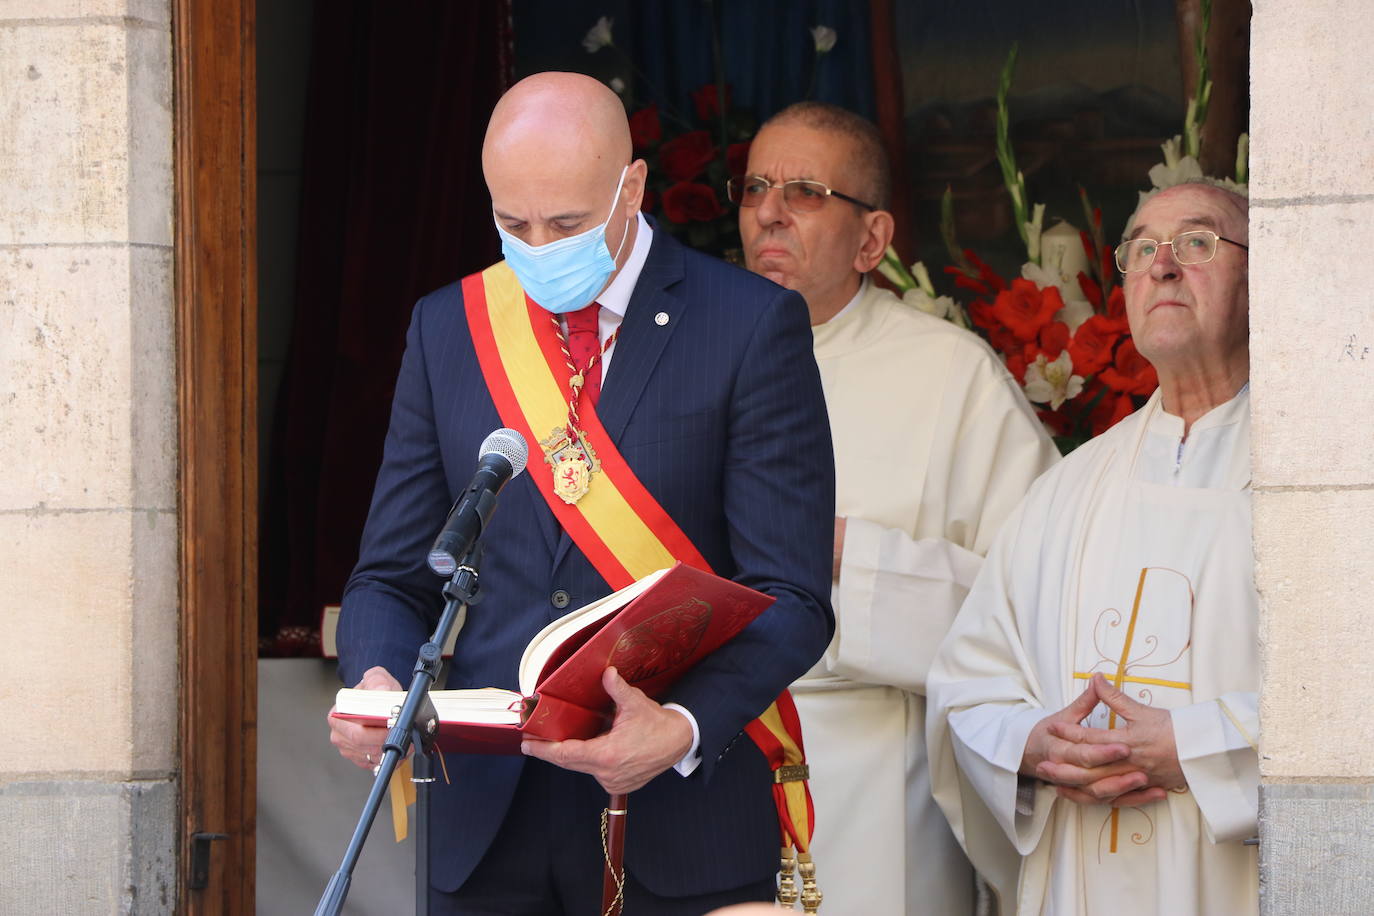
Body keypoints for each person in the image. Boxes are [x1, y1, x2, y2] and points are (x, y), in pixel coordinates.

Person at [327, 72, 836, 914]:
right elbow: (390, 576)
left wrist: (681, 728)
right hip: (488, 825)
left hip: (683, 824)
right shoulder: (451, 327)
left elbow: (792, 595)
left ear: (630, 186)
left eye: (564, 223)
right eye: (510, 223)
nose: (536, 244)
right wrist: (375, 678)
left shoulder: (747, 325)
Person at [735, 101, 1060, 915]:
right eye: (754, 189)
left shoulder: (952, 375)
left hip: (883, 770)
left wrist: (851, 559)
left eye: (805, 191)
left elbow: (1037, 602)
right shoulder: (686, 363)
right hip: (712, 753)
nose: (769, 212)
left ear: (873, 240)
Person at [926, 180, 1257, 915]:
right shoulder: (1065, 490)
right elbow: (968, 687)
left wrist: (1197, 750)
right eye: (1142, 249)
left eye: (1197, 243)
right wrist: (1034, 748)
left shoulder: (1319, 487)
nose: (1163, 266)